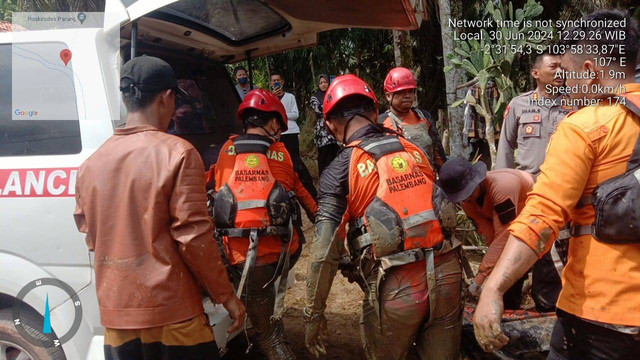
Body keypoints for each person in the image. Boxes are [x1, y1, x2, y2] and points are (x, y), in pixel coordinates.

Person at [473, 10, 640, 359]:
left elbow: (543, 216)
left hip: (601, 314)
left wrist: (493, 287)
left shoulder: (585, 125)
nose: (565, 84)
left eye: (569, 73)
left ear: (592, 73)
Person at [73, 56, 245, 360]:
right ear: (167, 97)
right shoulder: (178, 154)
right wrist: (226, 296)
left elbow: (90, 235)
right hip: (173, 316)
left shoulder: (90, 165)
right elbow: (194, 238)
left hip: (117, 319)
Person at [304, 74, 462, 360]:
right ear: (375, 111)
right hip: (448, 278)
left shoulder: (339, 169)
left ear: (329, 125)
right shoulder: (413, 149)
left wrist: (313, 314)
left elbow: (323, 253)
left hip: (397, 290)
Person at [208, 89, 318, 359]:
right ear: (271, 123)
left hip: (238, 256)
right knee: (266, 320)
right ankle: (266, 327)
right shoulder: (283, 152)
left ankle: (264, 328)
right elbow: (306, 197)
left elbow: (210, 188)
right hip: (282, 253)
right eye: (279, 124)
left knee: (264, 323)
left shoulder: (225, 150)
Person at [439, 158, 562, 311]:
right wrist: (494, 267)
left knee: (544, 293)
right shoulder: (467, 203)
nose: (465, 198)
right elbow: (490, 235)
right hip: (518, 229)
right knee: (505, 292)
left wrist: (480, 277)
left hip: (542, 224)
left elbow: (503, 236)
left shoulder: (502, 187)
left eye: (467, 193)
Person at [496, 52, 574, 177]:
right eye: (553, 67)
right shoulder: (518, 104)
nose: (560, 72)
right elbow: (506, 145)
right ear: (535, 73)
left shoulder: (575, 105)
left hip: (564, 183)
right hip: (528, 183)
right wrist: (503, 180)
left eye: (562, 68)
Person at [379, 67, 447, 172]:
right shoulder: (381, 123)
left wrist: (443, 175)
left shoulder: (424, 117)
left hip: (429, 179)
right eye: (401, 92)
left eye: (410, 91)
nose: (407, 96)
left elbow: (438, 154)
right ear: (388, 95)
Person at [270, 71, 317, 200]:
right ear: (270, 83)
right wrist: (274, 101)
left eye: (277, 80)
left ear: (282, 81)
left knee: (296, 161)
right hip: (277, 134)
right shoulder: (270, 97)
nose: (275, 82)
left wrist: (281, 115)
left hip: (290, 132)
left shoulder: (289, 97)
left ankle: (310, 190)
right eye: (273, 80)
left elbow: (295, 114)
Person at [310, 74, 340, 174]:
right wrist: (330, 106)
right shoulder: (315, 97)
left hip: (334, 128)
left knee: (335, 154)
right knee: (324, 156)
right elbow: (318, 109)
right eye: (321, 83)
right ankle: (324, 179)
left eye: (325, 82)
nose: (323, 85)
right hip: (322, 131)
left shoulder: (334, 93)